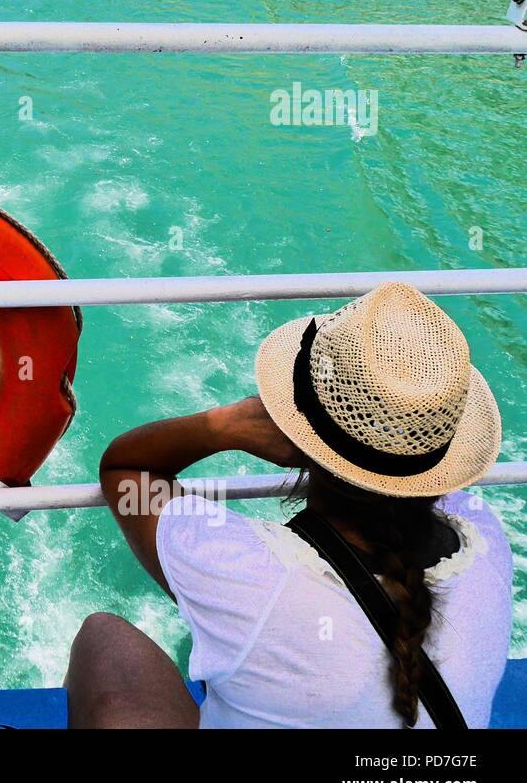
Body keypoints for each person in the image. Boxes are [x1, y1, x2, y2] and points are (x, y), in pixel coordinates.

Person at [66, 282, 512, 729]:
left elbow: (129, 474)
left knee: (105, 638)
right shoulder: (486, 535)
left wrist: (222, 427)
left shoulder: (247, 571)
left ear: (297, 437)